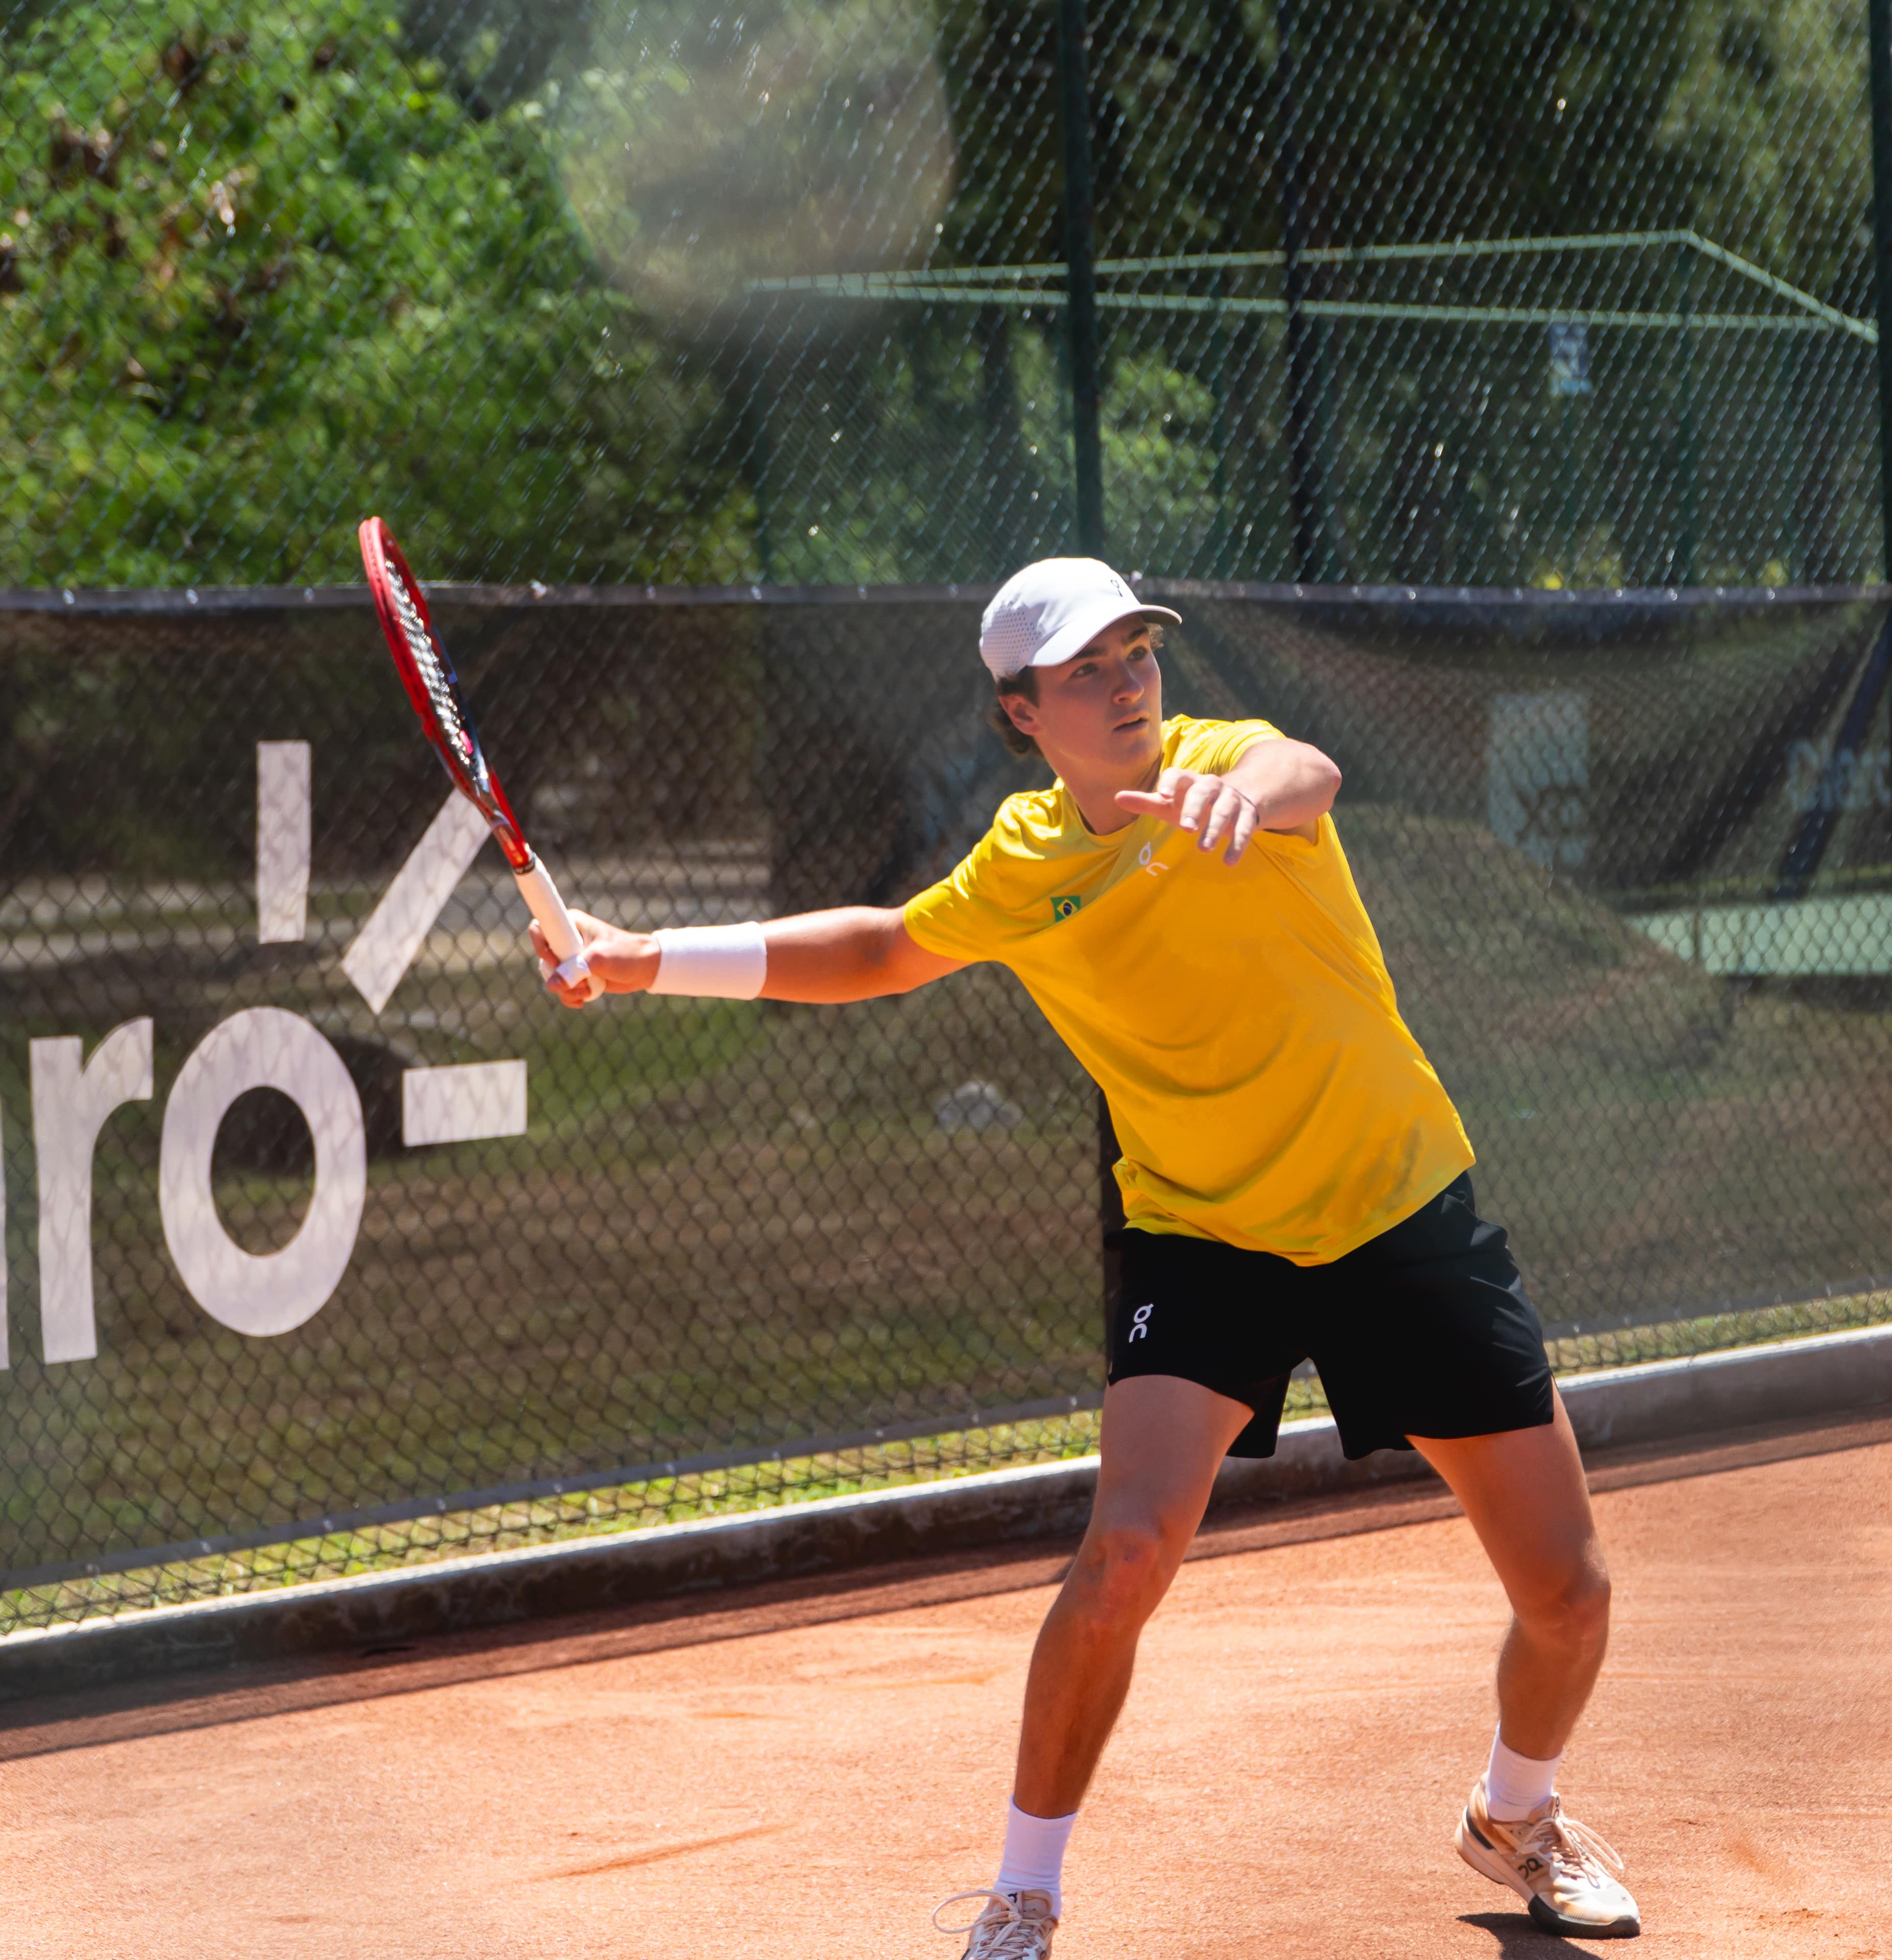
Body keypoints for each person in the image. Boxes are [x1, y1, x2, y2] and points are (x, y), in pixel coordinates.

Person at [535, 558, 1640, 1954]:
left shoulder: (1225, 763)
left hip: (1394, 1211)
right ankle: (1023, 1893)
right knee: (1121, 1555)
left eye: (1138, 655)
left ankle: (1515, 1816)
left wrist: (1247, 796)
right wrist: (643, 958)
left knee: (1569, 1594)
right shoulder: (1025, 862)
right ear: (1022, 712)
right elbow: (882, 948)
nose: (1126, 686)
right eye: (1086, 671)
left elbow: (1306, 771)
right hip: (1200, 1233)